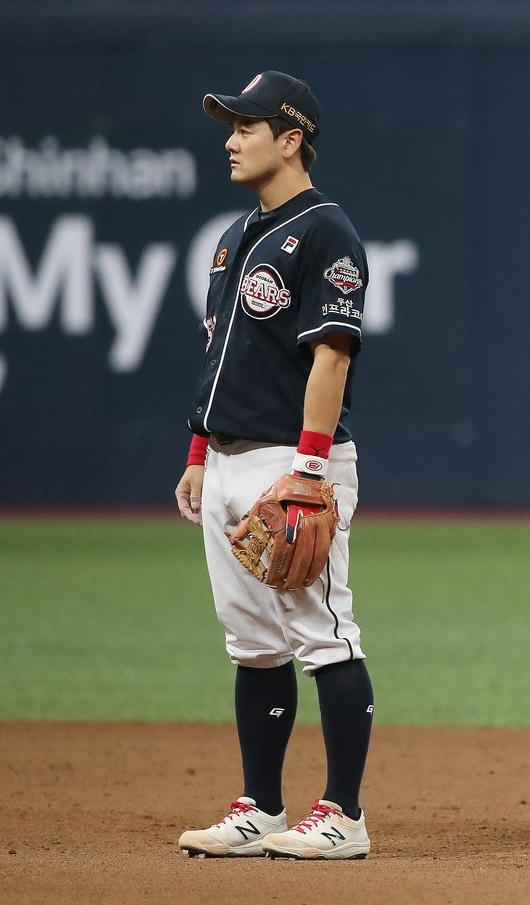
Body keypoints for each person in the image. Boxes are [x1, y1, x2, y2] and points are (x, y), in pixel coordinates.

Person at [173, 71, 374, 860]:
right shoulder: (234, 236)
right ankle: (259, 806)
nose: (230, 138)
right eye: (229, 124)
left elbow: (332, 357)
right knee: (252, 643)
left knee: (324, 633)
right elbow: (222, 356)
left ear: (290, 140)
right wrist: (198, 453)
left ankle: (346, 815)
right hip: (227, 459)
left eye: (246, 126)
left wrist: (312, 469)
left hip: (293, 460)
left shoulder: (327, 230)